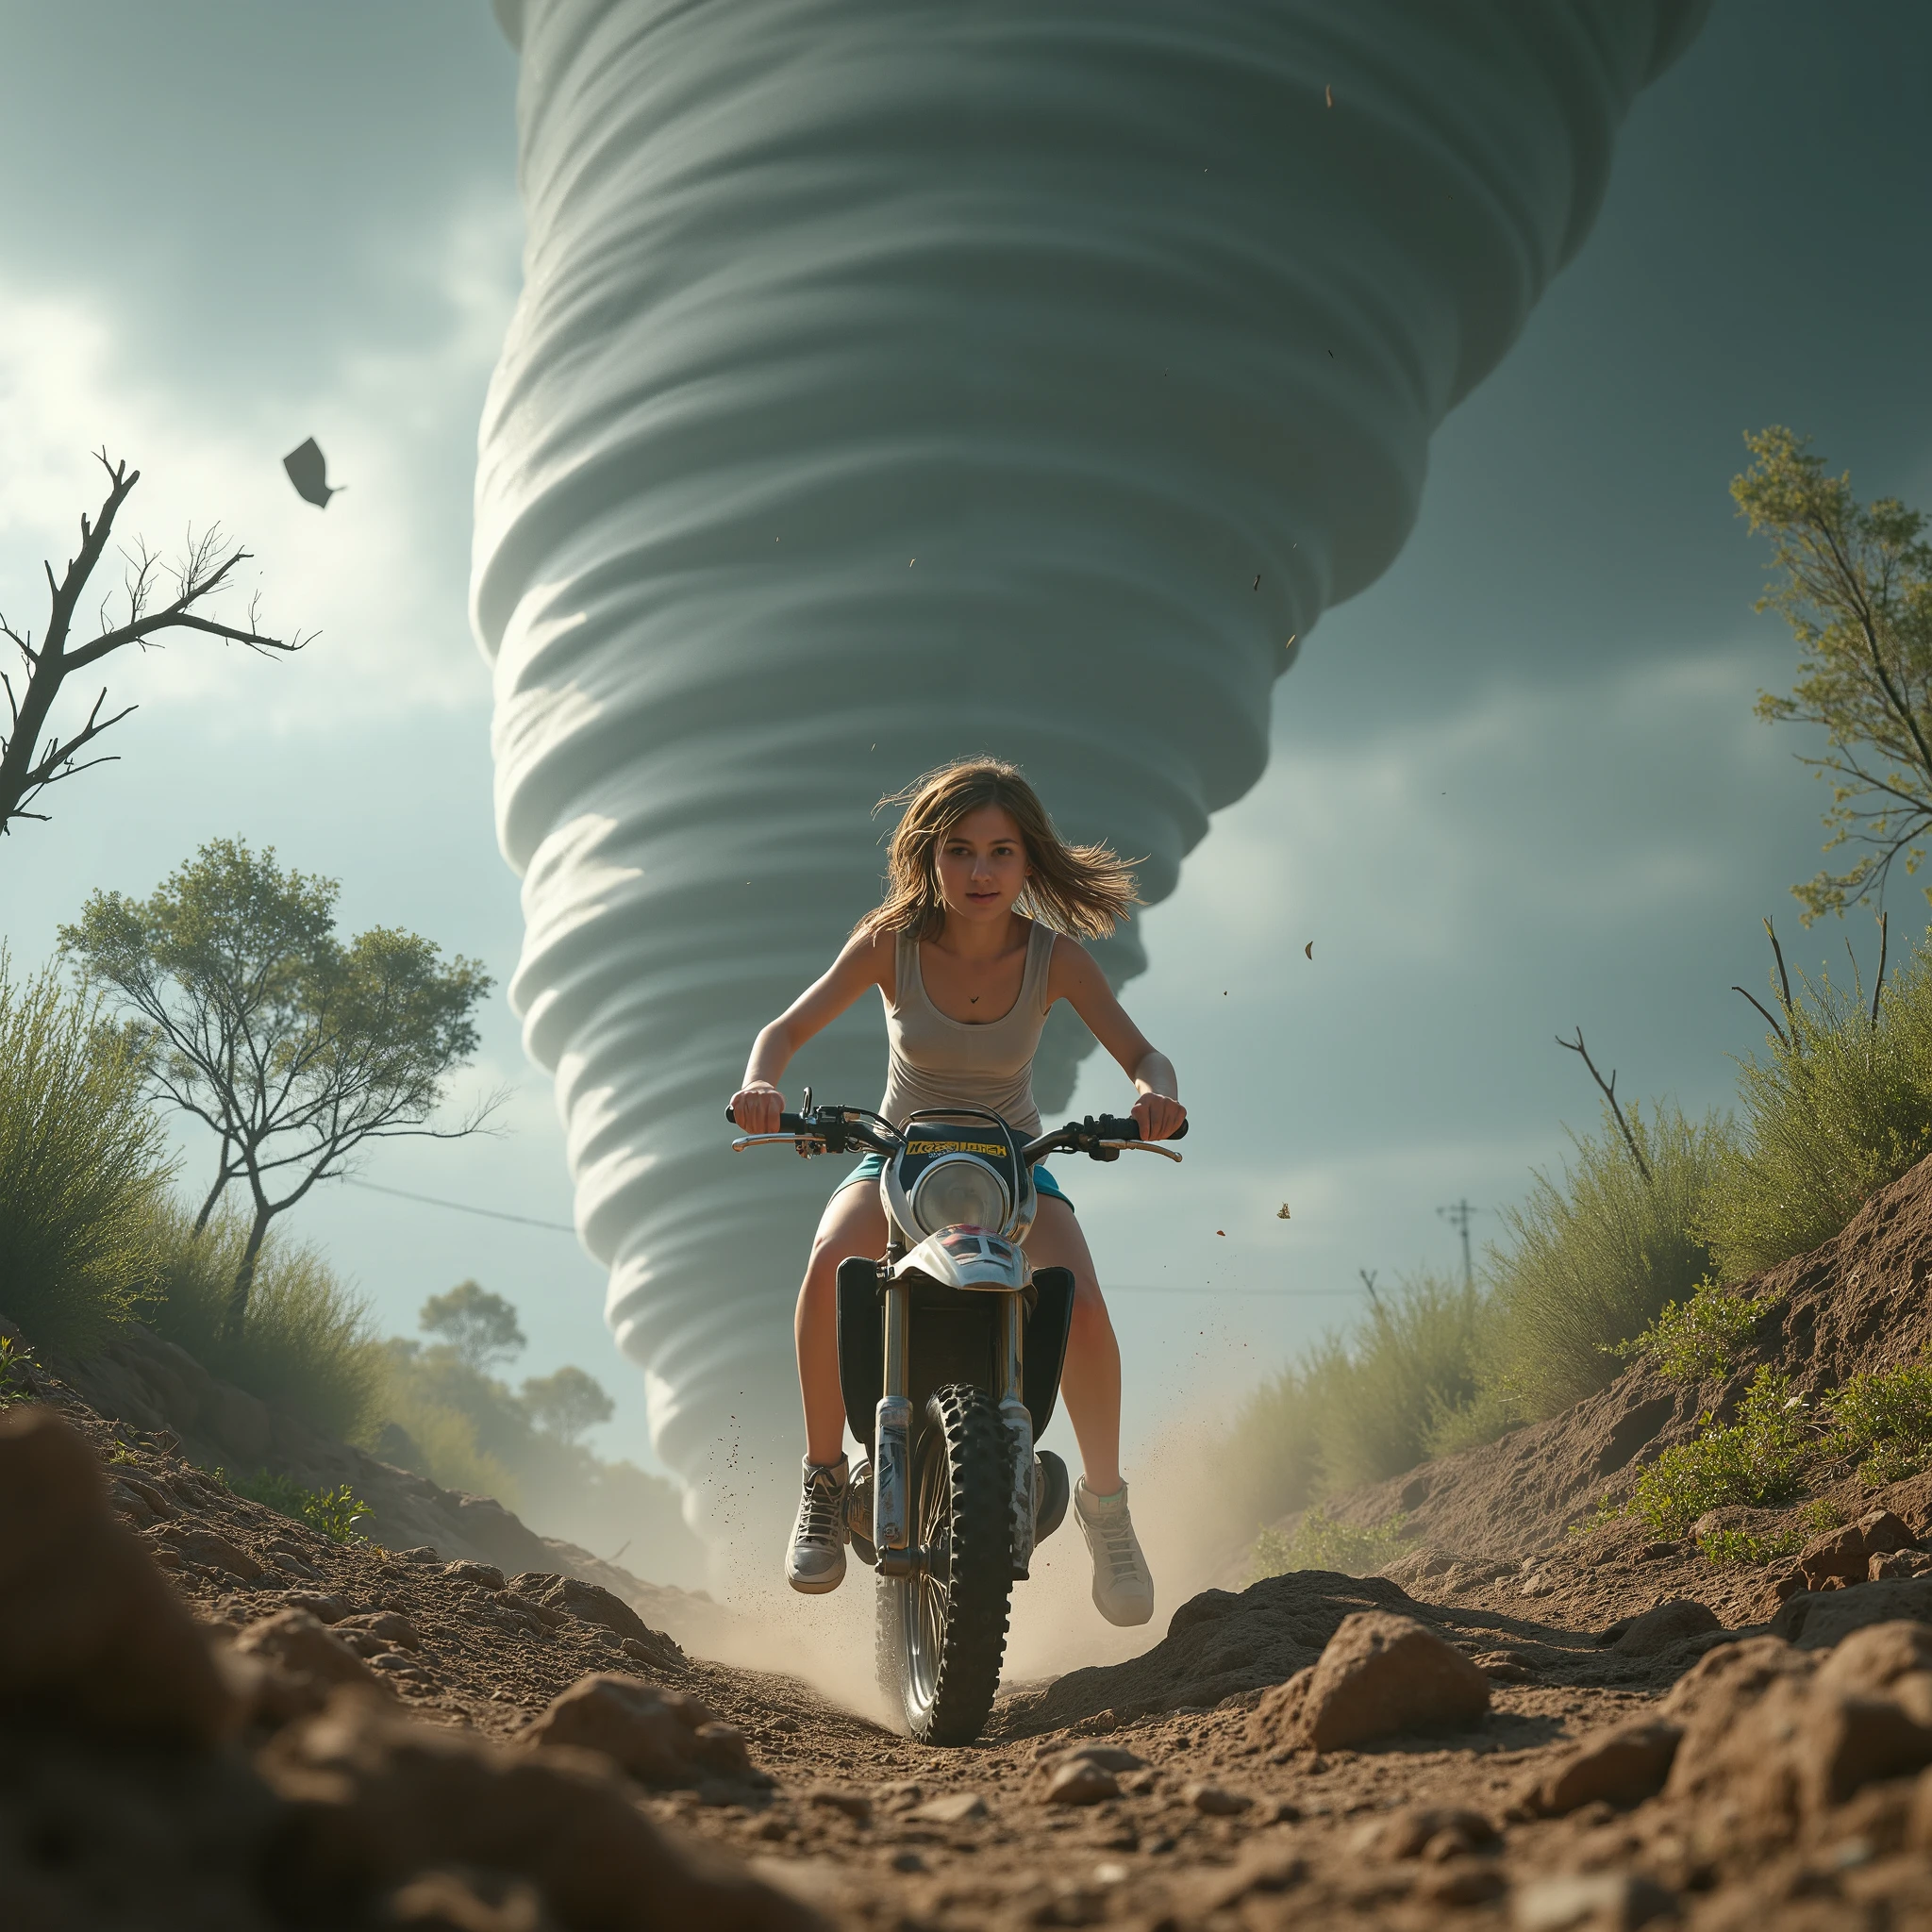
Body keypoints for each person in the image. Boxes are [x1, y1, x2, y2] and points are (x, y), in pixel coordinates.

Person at [728, 756, 1187, 1625]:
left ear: (1028, 861)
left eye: (1003, 852)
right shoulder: (887, 944)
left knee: (1081, 1304)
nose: (981, 872)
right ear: (929, 856)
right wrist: (761, 1085)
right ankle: (826, 1482)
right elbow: (783, 1030)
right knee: (831, 1259)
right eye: (962, 851)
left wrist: (1152, 1095)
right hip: (899, 1157)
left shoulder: (1057, 958)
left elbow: (1142, 1053)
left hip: (1016, 1162)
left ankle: (1106, 1507)